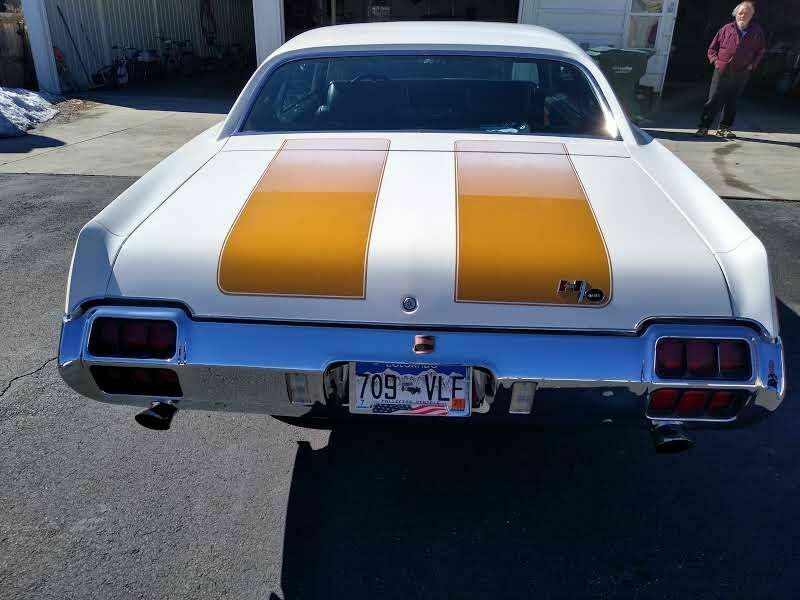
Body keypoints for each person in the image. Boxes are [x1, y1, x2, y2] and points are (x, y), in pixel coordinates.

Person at [696, 1, 766, 139]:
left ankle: (724, 128)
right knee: (714, 99)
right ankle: (704, 127)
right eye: (740, 13)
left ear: (751, 16)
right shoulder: (726, 29)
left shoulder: (757, 31)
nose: (743, 16)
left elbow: (760, 51)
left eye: (746, 14)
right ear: (735, 14)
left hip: (742, 72)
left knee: (732, 100)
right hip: (722, 70)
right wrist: (715, 61)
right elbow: (712, 48)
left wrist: (752, 65)